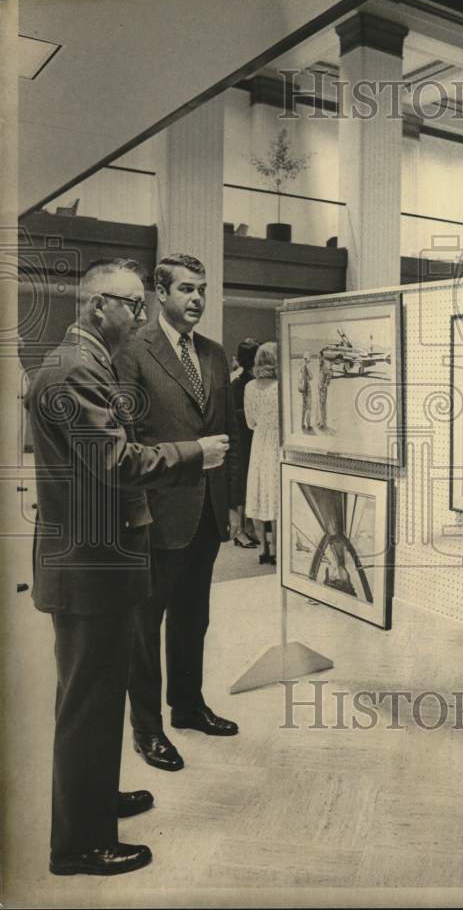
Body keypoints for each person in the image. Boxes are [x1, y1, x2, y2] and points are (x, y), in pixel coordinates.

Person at [26, 258, 229, 876]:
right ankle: (81, 845)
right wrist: (195, 452)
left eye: (142, 305)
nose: (139, 316)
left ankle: (96, 801)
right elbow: (114, 461)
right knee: (88, 702)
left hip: (96, 561)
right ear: (98, 307)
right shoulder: (75, 369)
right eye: (133, 305)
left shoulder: (81, 363)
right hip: (89, 566)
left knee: (94, 693)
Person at [116, 253, 244, 774]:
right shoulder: (132, 350)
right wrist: (137, 509)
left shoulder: (213, 354)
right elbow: (126, 438)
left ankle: (188, 707)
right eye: (187, 289)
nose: (197, 299)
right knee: (146, 626)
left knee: (194, 616)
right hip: (157, 509)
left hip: (207, 510)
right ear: (160, 294)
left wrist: (231, 501)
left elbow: (228, 432)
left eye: (203, 290)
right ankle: (147, 730)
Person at [244, 341, 280, 565]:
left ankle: (262, 549)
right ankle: (276, 548)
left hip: (258, 442)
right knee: (274, 493)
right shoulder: (279, 387)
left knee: (257, 491)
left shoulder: (249, 387)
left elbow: (250, 421)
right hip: (276, 442)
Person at [230, 337, 260, 548]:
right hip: (240, 437)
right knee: (240, 483)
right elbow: (231, 413)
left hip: (251, 437)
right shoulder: (238, 384)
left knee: (248, 482)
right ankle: (239, 531)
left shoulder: (252, 383)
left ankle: (247, 527)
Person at [317, 352, 332, 430]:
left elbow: (329, 374)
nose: (319, 359)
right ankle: (321, 420)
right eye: (318, 357)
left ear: (323, 357)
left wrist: (326, 384)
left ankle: (323, 422)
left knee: (323, 405)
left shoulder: (325, 365)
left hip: (323, 389)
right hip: (319, 388)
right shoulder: (320, 365)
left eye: (320, 357)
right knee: (320, 405)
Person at [299, 352, 313, 432]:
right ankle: (308, 425)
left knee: (303, 407)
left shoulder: (300, 366)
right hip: (307, 389)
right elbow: (312, 377)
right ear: (308, 359)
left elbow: (300, 379)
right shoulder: (307, 367)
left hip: (303, 390)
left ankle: (302, 424)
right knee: (309, 408)